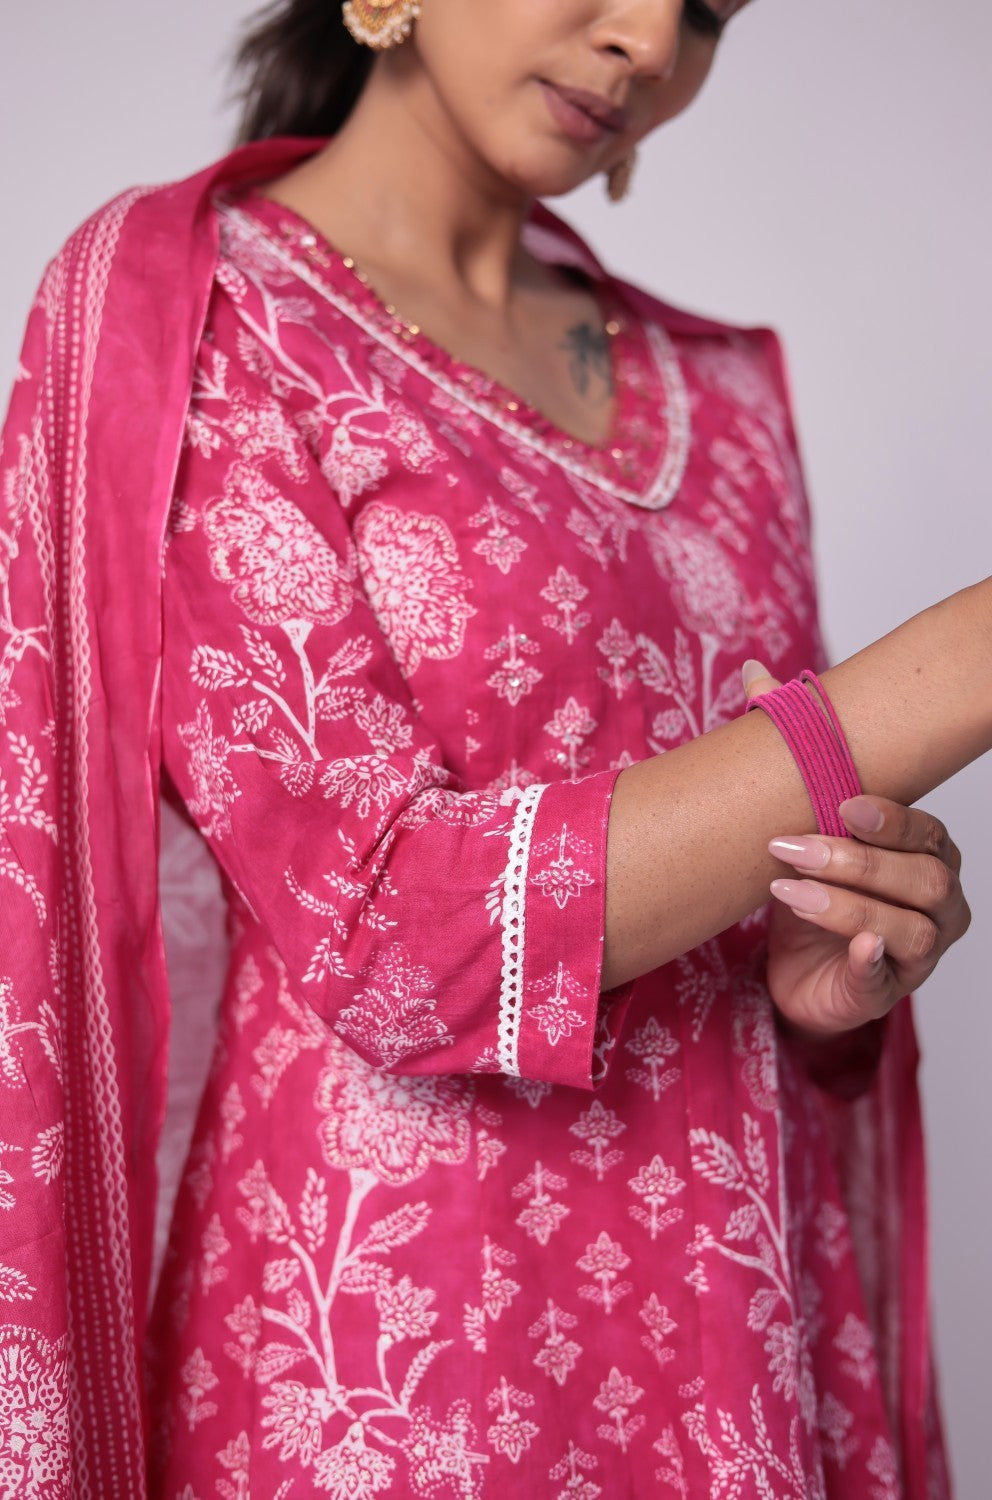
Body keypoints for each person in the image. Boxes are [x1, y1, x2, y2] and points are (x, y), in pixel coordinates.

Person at [1, 1, 989, 1495]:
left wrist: (830, 978)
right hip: (400, 1370)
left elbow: (754, 861)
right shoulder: (212, 320)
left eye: (708, 9)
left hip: (732, 1331)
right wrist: (950, 676)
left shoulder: (721, 393)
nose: (649, 43)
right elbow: (388, 930)